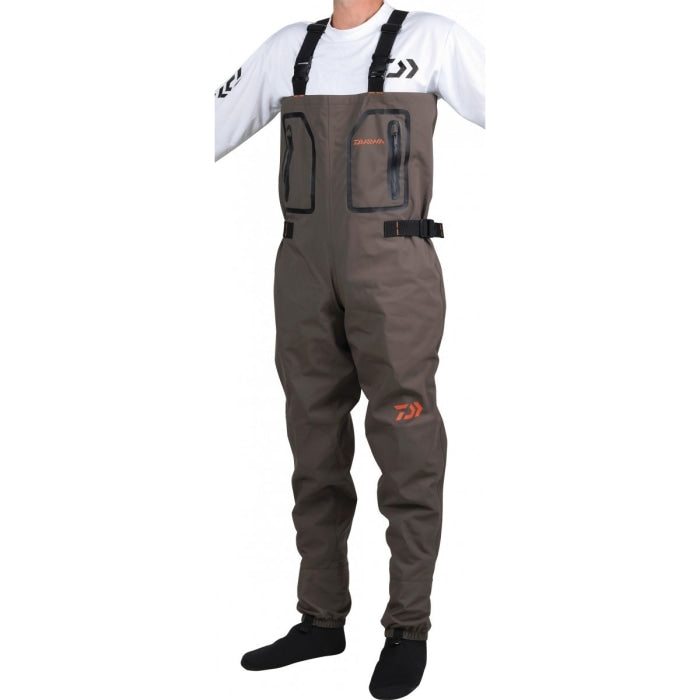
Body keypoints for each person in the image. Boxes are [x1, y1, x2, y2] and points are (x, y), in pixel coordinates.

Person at [214, 1, 484, 697]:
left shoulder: (433, 39)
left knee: (408, 448)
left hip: (395, 273)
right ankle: (320, 620)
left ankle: (408, 628)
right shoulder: (287, 50)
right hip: (302, 271)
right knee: (313, 447)